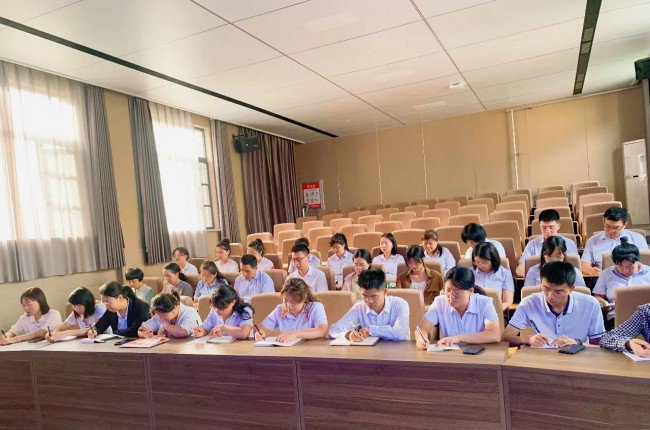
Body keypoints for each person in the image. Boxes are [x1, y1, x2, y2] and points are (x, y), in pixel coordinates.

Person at [503, 261, 605, 347]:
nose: (550, 296)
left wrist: (577, 343)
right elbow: (505, 338)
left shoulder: (591, 304)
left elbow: (599, 344)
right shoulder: (529, 303)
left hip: (578, 356)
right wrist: (528, 339)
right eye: (546, 289)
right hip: (542, 357)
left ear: (571, 289)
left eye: (558, 292)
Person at [416, 266, 501, 349]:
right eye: (448, 290)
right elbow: (422, 329)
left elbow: (494, 334)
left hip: (477, 353)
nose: (451, 296)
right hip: (451, 354)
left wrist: (459, 338)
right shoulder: (440, 302)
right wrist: (421, 338)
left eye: (457, 292)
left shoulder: (484, 303)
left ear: (470, 291)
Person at [329, 269, 410, 341]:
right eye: (364, 296)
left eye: (374, 296)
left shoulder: (400, 304)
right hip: (369, 352)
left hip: (398, 351)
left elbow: (400, 333)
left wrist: (370, 330)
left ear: (385, 291)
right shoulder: (359, 307)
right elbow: (333, 330)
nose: (369, 301)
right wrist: (348, 334)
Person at [593, 238, 650, 326]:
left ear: (637, 261)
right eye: (620, 266)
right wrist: (602, 303)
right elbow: (598, 297)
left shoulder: (648, 272)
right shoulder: (606, 274)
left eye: (630, 266)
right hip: (617, 316)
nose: (625, 270)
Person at [254, 278, 328, 343]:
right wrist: (259, 333)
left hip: (310, 349)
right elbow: (261, 329)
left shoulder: (315, 307)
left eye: (293, 302)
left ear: (304, 299)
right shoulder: (279, 309)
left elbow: (322, 330)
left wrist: (295, 334)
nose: (288, 305)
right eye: (285, 300)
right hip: (287, 351)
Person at [581, 206, 649, 276]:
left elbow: (646, 263)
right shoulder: (593, 240)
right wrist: (591, 271)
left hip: (632, 277)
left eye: (615, 228)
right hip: (604, 277)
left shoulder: (637, 238)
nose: (611, 231)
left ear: (624, 225)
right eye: (607, 226)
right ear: (603, 221)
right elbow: (584, 263)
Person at [516, 209, 579, 277]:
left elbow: (575, 268)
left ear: (558, 226)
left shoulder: (569, 243)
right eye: (544, 228)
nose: (548, 231)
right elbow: (520, 269)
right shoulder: (532, 245)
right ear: (540, 227)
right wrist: (534, 277)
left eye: (551, 227)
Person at [471, 242, 514, 310]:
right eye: (477, 262)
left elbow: (507, 301)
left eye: (485, 262)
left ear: (493, 259)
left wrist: (494, 311)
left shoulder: (504, 273)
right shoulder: (469, 273)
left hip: (496, 310)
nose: (481, 265)